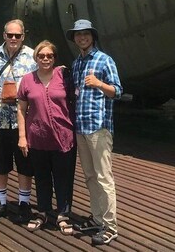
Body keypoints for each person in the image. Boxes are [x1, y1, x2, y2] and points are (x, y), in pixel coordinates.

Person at [67, 19, 122, 246]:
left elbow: (117, 91)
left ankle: (110, 227)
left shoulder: (104, 60)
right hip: (81, 127)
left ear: (93, 37)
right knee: (90, 176)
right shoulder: (77, 63)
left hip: (98, 128)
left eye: (86, 34)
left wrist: (99, 83)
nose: (82, 38)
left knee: (104, 177)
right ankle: (97, 218)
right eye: (78, 35)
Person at [0, 19, 36, 223]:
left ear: (23, 36)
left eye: (17, 36)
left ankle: (24, 202)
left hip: (23, 122)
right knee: (0, 163)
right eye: (10, 35)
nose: (13, 39)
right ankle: (0, 201)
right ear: (4, 35)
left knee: (25, 164)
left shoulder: (32, 56)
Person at [16, 40, 76, 235]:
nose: (45, 59)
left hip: (63, 136)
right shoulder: (27, 80)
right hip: (38, 137)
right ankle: (42, 212)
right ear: (36, 58)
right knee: (41, 178)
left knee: (63, 178)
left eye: (49, 56)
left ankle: (63, 215)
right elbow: (21, 109)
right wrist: (22, 137)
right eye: (41, 56)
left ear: (55, 58)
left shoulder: (64, 76)